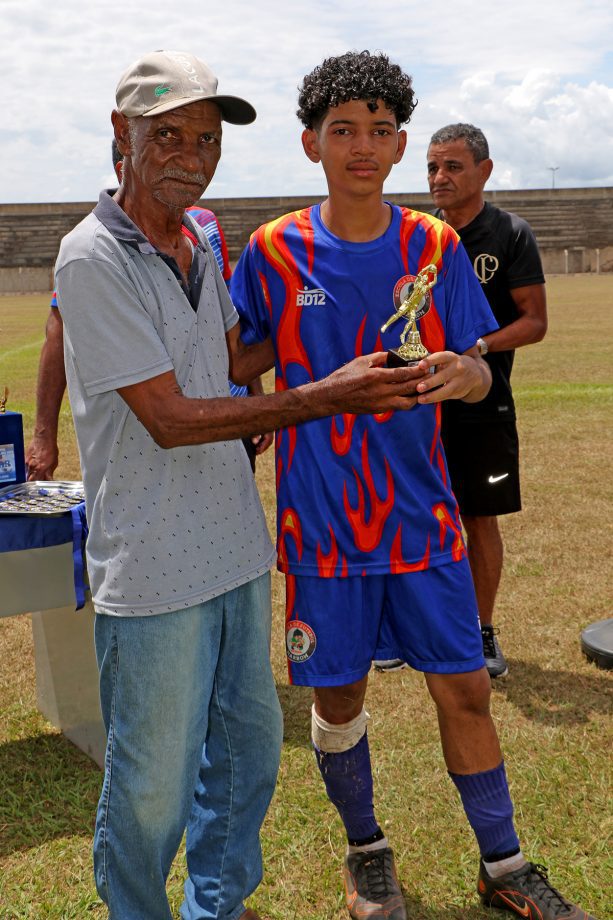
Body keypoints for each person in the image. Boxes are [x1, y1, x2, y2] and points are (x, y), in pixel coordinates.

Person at [54, 49, 420, 920]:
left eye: (206, 139)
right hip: (152, 572)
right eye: (167, 133)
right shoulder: (90, 258)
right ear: (121, 135)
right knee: (151, 783)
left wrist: (334, 324)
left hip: (234, 550)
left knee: (249, 760)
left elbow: (227, 365)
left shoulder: (196, 246)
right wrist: (325, 397)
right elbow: (173, 416)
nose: (189, 152)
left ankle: (214, 906)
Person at [231, 51, 596, 920]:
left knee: (463, 686)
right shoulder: (274, 250)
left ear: (399, 146)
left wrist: (458, 377)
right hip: (322, 525)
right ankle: (366, 854)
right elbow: (238, 363)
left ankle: (502, 868)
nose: (363, 145)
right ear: (311, 141)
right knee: (339, 693)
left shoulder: (433, 246)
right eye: (343, 129)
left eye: (380, 130)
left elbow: (474, 369)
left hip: (424, 518)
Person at [25, 141, 270, 480]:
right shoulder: (95, 248)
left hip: (229, 413)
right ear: (123, 167)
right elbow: (59, 330)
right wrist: (43, 435)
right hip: (152, 431)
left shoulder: (204, 227)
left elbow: (227, 321)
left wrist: (254, 395)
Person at [428, 123, 547, 677]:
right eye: (432, 167)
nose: (439, 178)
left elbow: (535, 322)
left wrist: (478, 344)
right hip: (422, 404)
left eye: (452, 166)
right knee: (419, 512)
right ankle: (419, 627)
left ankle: (482, 631)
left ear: (484, 170)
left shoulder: (510, 234)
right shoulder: (422, 237)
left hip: (483, 405)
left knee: (478, 517)